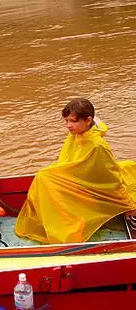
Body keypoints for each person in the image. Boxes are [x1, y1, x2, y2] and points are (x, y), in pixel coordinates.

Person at [15, 98, 136, 244]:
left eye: (73, 121)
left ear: (88, 120)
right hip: (79, 178)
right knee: (44, 177)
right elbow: (67, 162)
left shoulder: (98, 146)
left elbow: (110, 177)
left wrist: (127, 204)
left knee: (44, 178)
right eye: (66, 121)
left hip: (91, 184)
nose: (68, 126)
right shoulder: (76, 135)